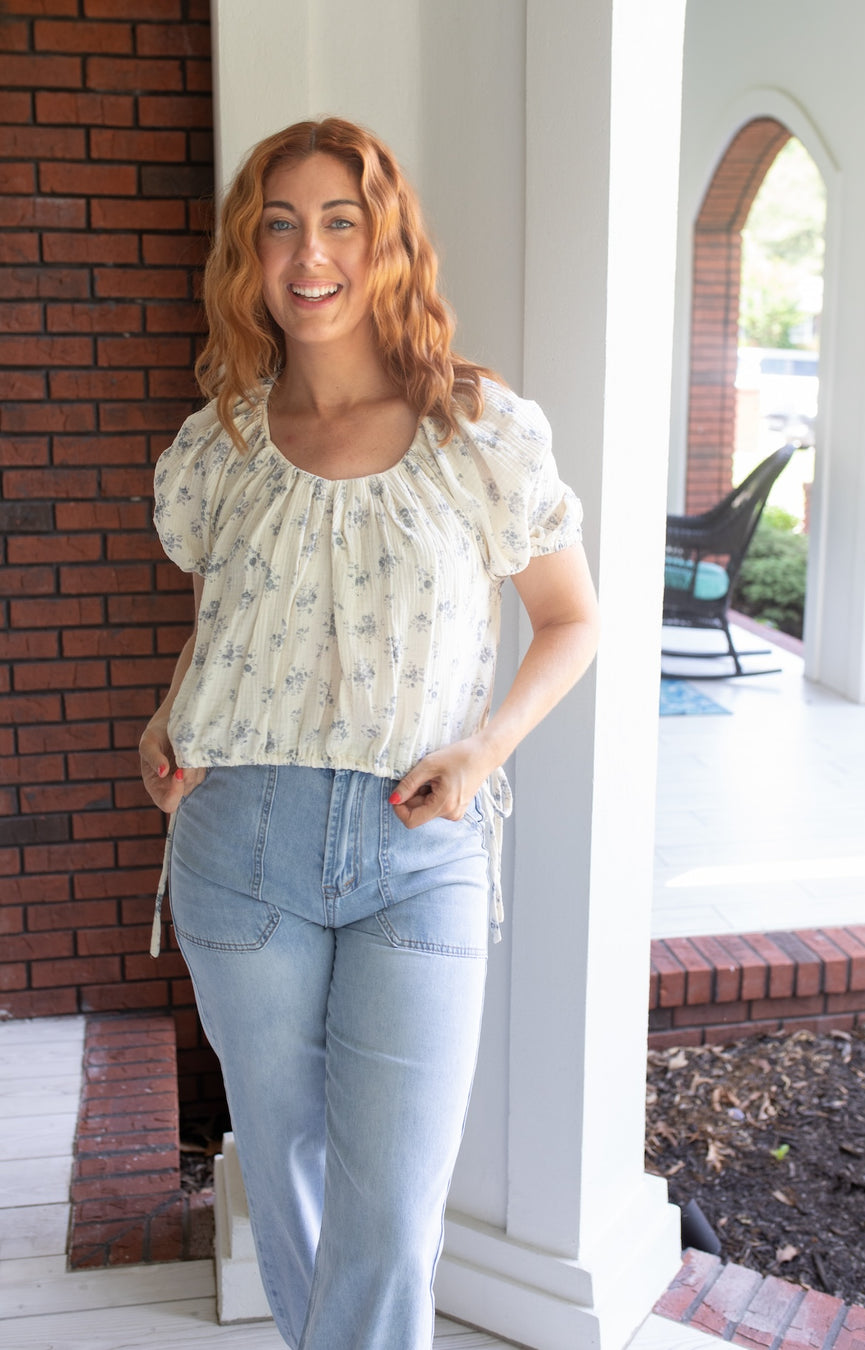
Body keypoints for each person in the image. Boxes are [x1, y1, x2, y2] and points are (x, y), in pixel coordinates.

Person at [139, 116, 599, 1350]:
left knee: (389, 1216)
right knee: (284, 1184)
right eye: (279, 224)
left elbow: (570, 620)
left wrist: (485, 751)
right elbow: (227, 622)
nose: (309, 252)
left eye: (339, 219)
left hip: (418, 845)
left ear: (385, 242)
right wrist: (162, 714)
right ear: (250, 256)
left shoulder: (477, 428)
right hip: (242, 843)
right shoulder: (224, 443)